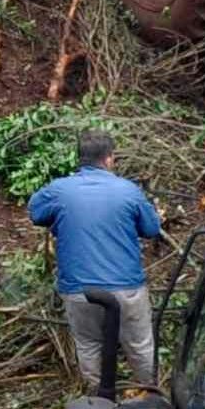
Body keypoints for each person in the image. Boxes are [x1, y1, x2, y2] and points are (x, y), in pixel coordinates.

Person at [24, 130, 169, 393]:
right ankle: (150, 396)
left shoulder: (59, 190)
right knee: (139, 345)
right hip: (125, 288)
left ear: (79, 159)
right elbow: (150, 228)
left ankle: (100, 402)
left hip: (80, 291)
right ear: (109, 159)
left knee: (90, 344)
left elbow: (35, 212)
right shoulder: (128, 190)